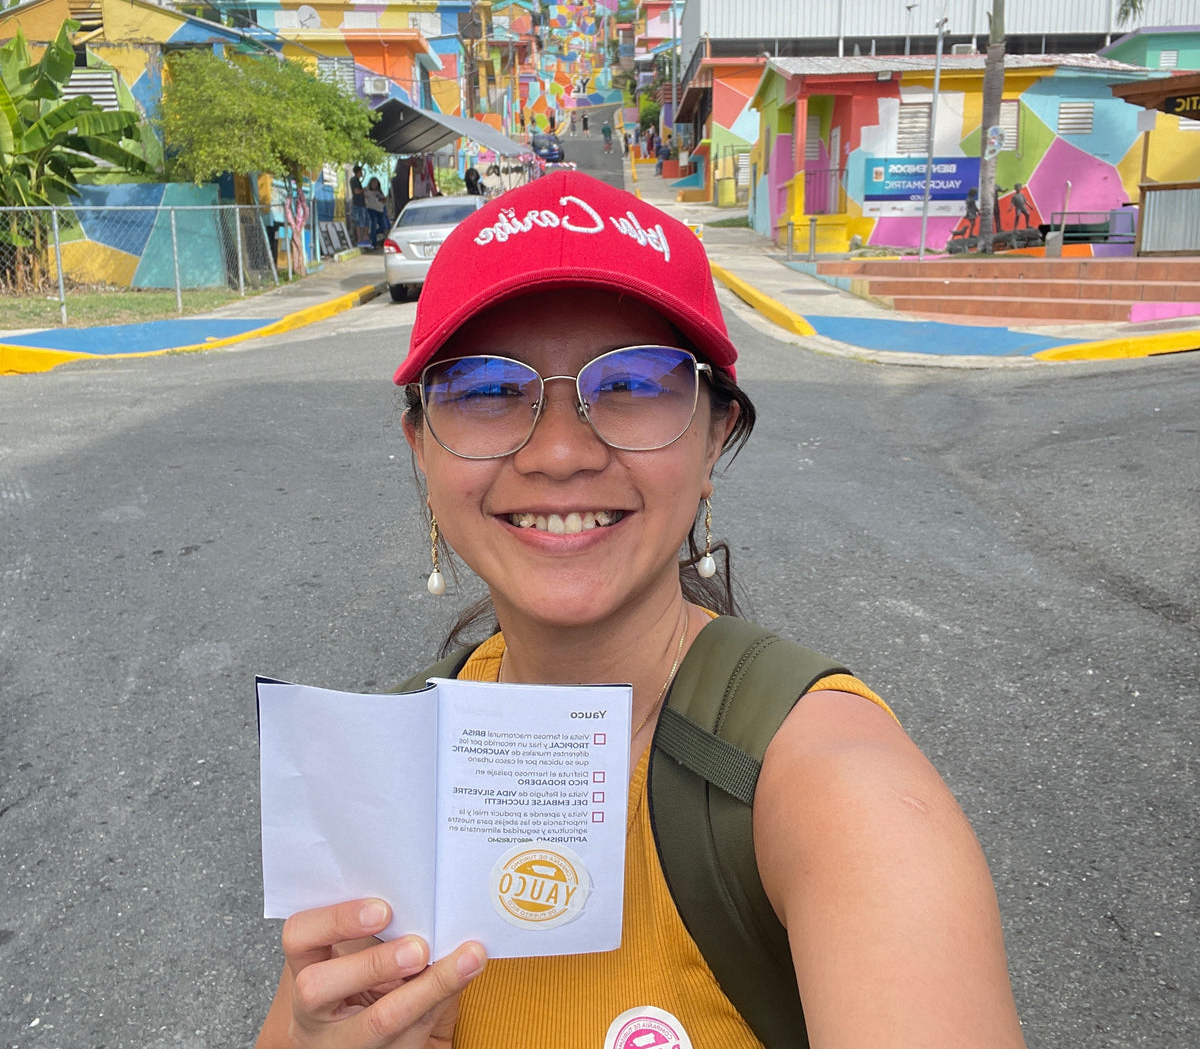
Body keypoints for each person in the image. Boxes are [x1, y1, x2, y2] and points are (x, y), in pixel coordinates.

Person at [256, 173, 1026, 1049]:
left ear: (713, 439)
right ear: (421, 451)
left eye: (632, 383)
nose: (557, 452)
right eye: (483, 389)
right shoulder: (387, 761)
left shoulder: (841, 797)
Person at [348, 165, 369, 248]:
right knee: (360, 222)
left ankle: (363, 238)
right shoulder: (354, 180)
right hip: (358, 204)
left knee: (364, 221)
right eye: (361, 172)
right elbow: (356, 191)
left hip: (361, 204)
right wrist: (364, 190)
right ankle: (360, 239)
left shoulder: (357, 181)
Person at [363, 178, 389, 246]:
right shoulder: (367, 191)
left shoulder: (379, 192)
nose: (374, 185)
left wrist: (382, 200)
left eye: (375, 184)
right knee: (373, 225)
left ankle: (372, 235)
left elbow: (385, 200)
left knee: (383, 227)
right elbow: (363, 195)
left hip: (380, 210)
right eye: (373, 183)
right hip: (371, 209)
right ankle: (374, 243)